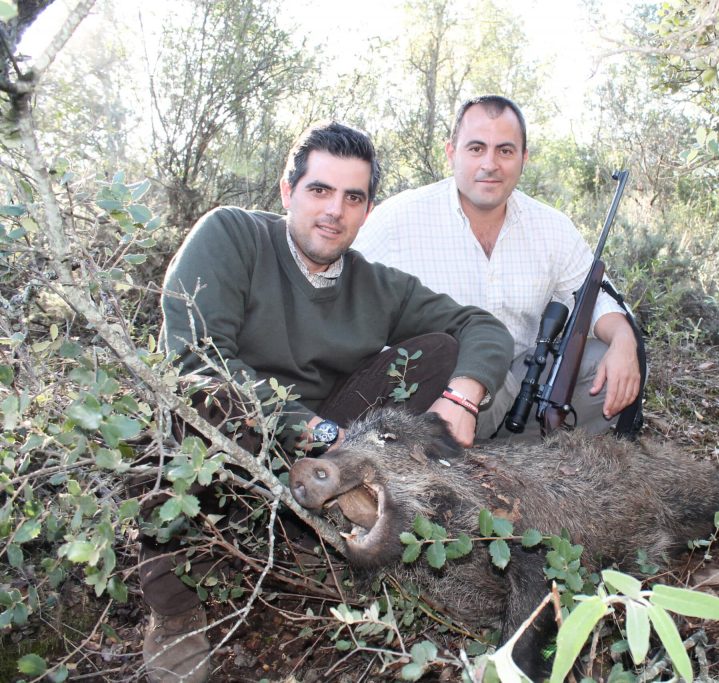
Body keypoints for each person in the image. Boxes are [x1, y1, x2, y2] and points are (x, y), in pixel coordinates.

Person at [141, 121, 513, 682]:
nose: (334, 211)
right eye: (319, 190)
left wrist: (463, 396)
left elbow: (481, 326)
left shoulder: (377, 285)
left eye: (353, 197)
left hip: (328, 450)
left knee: (438, 350)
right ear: (288, 191)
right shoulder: (232, 235)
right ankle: (174, 610)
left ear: (367, 211)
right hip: (233, 435)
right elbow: (194, 358)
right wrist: (318, 433)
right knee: (202, 398)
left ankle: (328, 529)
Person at [352, 95, 642, 440]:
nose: (490, 164)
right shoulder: (397, 218)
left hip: (518, 386)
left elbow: (596, 299)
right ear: (451, 152)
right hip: (428, 390)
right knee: (475, 370)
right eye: (476, 148)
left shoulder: (552, 227)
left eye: (505, 151)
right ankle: (439, 445)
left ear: (524, 158)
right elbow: (345, 295)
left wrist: (625, 340)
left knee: (603, 360)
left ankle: (498, 451)